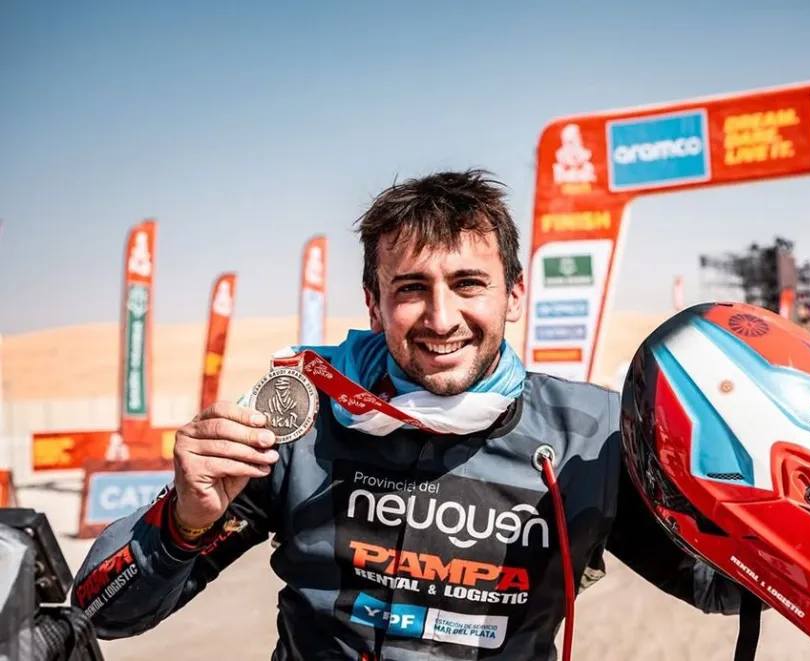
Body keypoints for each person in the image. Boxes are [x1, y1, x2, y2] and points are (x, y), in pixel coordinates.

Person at [72, 170, 740, 660]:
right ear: (374, 303)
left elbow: (723, 587)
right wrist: (181, 523)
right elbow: (99, 612)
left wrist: (773, 491)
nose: (441, 319)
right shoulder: (302, 417)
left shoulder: (591, 436)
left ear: (513, 294)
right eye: (411, 289)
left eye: (468, 284)